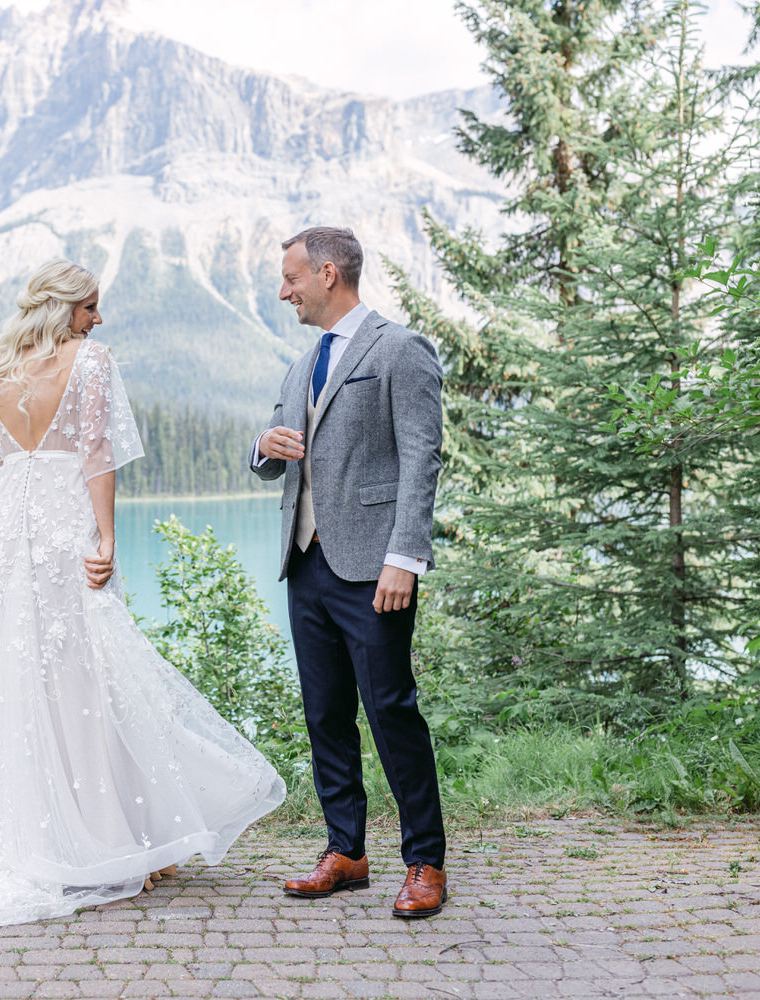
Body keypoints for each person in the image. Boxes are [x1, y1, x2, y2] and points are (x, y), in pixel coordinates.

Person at [0, 258, 286, 926]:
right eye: (89, 307)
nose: (97, 319)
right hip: (65, 516)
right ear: (64, 308)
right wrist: (105, 535)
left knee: (27, 676)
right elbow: (96, 454)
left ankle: (44, 840)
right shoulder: (92, 362)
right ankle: (117, 843)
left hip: (10, 524)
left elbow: (0, 462)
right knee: (88, 676)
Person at [249, 227, 447, 918]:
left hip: (373, 569)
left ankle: (425, 861)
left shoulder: (399, 349)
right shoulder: (305, 361)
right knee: (326, 713)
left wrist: (405, 558)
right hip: (305, 565)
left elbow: (422, 459)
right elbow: (278, 441)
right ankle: (347, 851)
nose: (283, 291)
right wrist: (262, 447)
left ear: (328, 273)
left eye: (291, 278)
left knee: (392, 710)